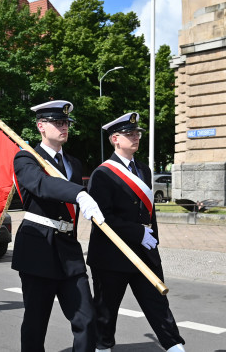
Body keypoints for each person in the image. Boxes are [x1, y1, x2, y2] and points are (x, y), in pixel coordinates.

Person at [11, 100, 105, 352]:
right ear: (41, 126)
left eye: (66, 123)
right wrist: (78, 193)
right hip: (38, 247)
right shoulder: (26, 158)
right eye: (57, 122)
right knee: (36, 322)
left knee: (86, 318)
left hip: (68, 250)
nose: (64, 127)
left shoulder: (73, 163)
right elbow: (41, 185)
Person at [87, 113, 185, 352]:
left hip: (144, 252)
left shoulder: (144, 170)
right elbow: (104, 218)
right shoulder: (102, 173)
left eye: (137, 133)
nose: (135, 137)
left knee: (158, 304)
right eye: (129, 134)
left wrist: (153, 240)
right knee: (106, 311)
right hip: (112, 255)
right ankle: (102, 348)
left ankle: (175, 346)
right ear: (115, 139)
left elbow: (149, 212)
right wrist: (137, 233)